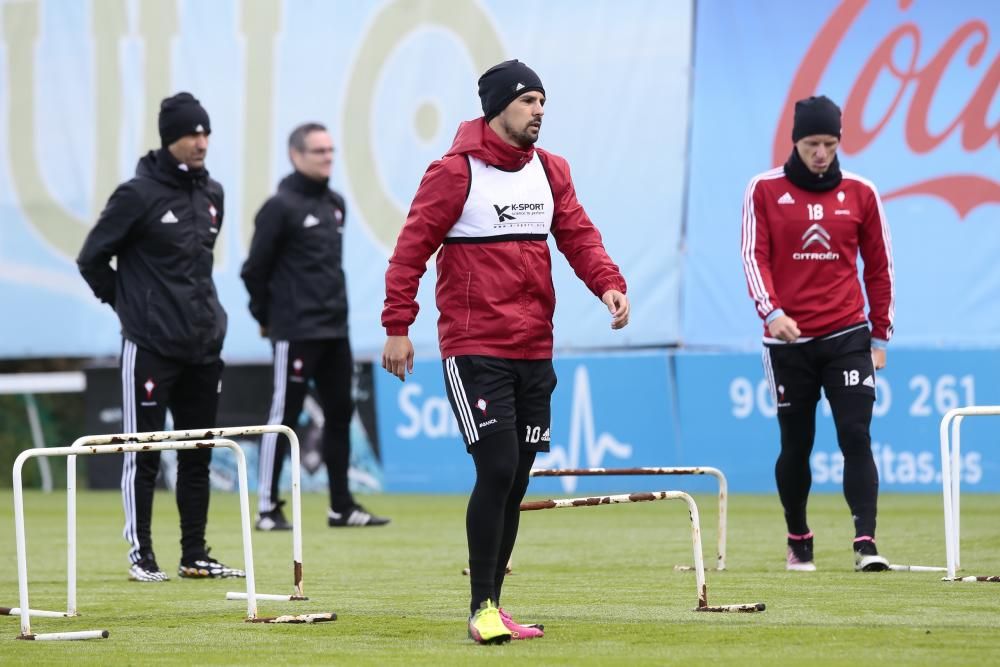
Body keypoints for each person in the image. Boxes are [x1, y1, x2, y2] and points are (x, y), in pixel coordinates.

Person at [381, 60, 629, 644]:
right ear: (497, 109)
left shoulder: (552, 171)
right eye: (528, 102)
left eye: (543, 101)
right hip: (475, 349)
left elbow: (579, 236)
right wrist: (398, 325)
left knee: (516, 479)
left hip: (534, 350)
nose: (540, 111)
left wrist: (608, 284)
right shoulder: (452, 173)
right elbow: (409, 252)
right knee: (495, 468)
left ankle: (496, 605)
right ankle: (480, 609)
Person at [77, 92, 244, 582]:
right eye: (192, 133)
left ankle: (195, 554)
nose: (201, 141)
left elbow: (199, 269)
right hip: (150, 347)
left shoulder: (213, 192)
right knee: (142, 452)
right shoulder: (136, 194)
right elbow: (91, 258)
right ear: (170, 137)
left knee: (198, 454)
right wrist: (129, 307)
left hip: (203, 346)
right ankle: (141, 555)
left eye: (206, 132)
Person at [741, 95, 895, 573]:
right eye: (812, 143)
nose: (821, 153)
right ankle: (799, 538)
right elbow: (753, 257)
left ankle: (865, 544)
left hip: (848, 334)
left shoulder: (861, 192)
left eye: (830, 143)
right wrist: (772, 313)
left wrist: (880, 336)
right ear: (796, 141)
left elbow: (880, 267)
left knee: (856, 434)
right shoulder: (764, 190)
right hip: (788, 341)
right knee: (797, 442)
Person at [241, 123, 389, 531]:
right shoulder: (279, 207)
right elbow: (254, 271)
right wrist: (268, 320)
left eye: (330, 150)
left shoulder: (335, 204)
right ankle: (268, 508)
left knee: (340, 413)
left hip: (334, 332)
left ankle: (341, 506)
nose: (327, 157)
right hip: (295, 332)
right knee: (283, 415)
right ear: (296, 155)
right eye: (318, 151)